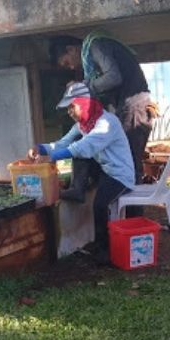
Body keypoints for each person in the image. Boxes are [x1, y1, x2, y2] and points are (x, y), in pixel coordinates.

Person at [29, 82, 134, 264]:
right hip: (104, 170)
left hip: (120, 175)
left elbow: (84, 147)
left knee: (100, 205)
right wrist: (40, 148)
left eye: (72, 107)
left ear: (85, 104)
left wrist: (53, 157)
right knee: (73, 153)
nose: (69, 112)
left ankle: (104, 249)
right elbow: (62, 143)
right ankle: (75, 189)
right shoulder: (83, 125)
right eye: (68, 108)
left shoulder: (107, 122)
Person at [49, 30, 154, 202]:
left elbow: (113, 77)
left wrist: (84, 87)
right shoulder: (90, 61)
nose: (71, 67)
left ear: (71, 49)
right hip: (130, 107)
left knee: (129, 163)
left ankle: (132, 215)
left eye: (67, 62)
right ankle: (82, 189)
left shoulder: (96, 45)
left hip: (134, 107)